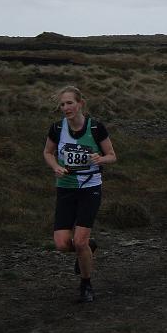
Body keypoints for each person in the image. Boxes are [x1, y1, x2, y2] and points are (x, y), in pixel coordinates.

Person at [43, 86, 117, 303]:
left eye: (69, 103)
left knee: (79, 241)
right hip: (65, 187)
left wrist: (100, 159)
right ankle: (88, 247)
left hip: (89, 187)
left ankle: (86, 284)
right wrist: (55, 166)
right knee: (62, 244)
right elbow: (47, 152)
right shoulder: (57, 128)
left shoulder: (96, 127)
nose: (66, 108)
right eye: (62, 104)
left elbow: (112, 155)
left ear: (80, 104)